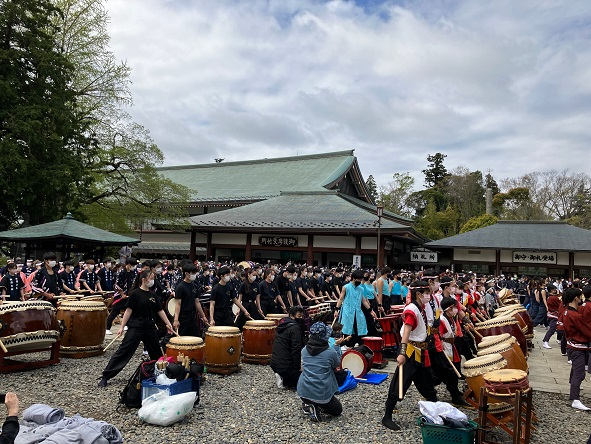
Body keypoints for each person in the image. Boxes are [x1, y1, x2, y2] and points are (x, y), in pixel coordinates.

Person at [98, 270, 174, 387]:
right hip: (136, 325)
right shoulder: (135, 293)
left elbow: (160, 311)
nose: (153, 281)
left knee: (156, 351)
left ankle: (161, 373)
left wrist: (168, 324)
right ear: (144, 280)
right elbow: (128, 311)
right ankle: (106, 375)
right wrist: (122, 327)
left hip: (149, 326)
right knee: (124, 351)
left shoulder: (153, 295)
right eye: (151, 278)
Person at [382, 280, 438, 431]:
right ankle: (387, 416)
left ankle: (436, 413)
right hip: (409, 351)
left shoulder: (423, 307)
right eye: (426, 293)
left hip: (420, 351)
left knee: (426, 382)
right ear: (419, 294)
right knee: (399, 384)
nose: (429, 295)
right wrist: (401, 354)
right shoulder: (412, 309)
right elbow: (406, 333)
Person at [297, 322, 342, 422]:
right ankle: (316, 406)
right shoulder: (330, 352)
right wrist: (336, 346)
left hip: (303, 391)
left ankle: (309, 404)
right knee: (337, 410)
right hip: (321, 392)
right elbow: (337, 364)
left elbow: (303, 367)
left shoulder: (304, 350)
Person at [562, 288, 591, 410]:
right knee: (579, 373)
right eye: (580, 297)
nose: (581, 300)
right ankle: (575, 398)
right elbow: (587, 331)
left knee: (575, 371)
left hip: (572, 345)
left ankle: (573, 391)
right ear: (576, 298)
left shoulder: (567, 312)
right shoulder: (575, 315)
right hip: (577, 346)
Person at [335, 269, 375, 346]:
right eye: (358, 279)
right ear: (353, 278)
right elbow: (341, 299)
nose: (360, 281)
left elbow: (363, 301)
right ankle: (345, 346)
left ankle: (356, 346)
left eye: (360, 279)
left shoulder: (361, 289)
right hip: (347, 311)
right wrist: (337, 309)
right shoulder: (346, 287)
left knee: (358, 329)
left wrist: (370, 310)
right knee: (347, 329)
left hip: (357, 312)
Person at [270, 306, 305, 389]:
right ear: (291, 316)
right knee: (306, 380)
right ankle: (284, 378)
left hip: (275, 363)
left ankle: (281, 374)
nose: (301, 318)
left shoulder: (283, 325)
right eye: (299, 316)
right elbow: (296, 349)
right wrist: (297, 367)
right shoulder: (295, 328)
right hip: (285, 366)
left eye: (302, 316)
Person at [173, 263, 208, 336]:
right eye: (193, 273)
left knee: (196, 338)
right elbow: (178, 304)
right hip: (183, 316)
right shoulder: (180, 287)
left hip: (192, 316)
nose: (194, 275)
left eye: (195, 273)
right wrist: (176, 320)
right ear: (186, 273)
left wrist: (203, 316)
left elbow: (197, 302)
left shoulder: (194, 286)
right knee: (182, 338)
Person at [542, 284, 561, 349]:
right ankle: (545, 341)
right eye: (553, 289)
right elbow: (560, 305)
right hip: (554, 315)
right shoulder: (553, 298)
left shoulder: (550, 297)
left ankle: (559, 340)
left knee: (557, 329)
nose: (555, 290)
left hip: (552, 315)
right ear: (551, 290)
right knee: (552, 329)